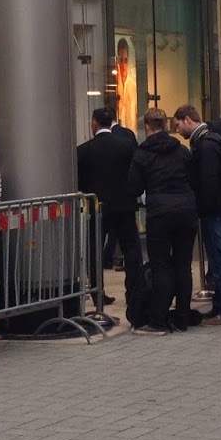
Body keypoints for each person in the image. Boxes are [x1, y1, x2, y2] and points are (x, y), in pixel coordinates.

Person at [124, 109, 197, 335]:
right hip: (186, 209)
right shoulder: (182, 150)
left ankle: (157, 320)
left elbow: (134, 188)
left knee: (161, 265)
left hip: (160, 213)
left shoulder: (142, 153)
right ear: (166, 125)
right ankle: (182, 317)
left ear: (147, 127)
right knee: (184, 265)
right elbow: (193, 178)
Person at [174, 104, 221, 325]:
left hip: (216, 211)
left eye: (178, 124)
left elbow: (209, 180)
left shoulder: (206, 144)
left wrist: (204, 208)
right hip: (219, 209)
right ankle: (220, 307)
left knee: (220, 261)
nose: (177, 130)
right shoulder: (209, 140)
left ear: (187, 120)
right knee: (219, 260)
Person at [78, 107, 142, 317]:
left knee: (95, 250)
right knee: (131, 248)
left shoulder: (84, 150)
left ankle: (98, 293)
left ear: (94, 123)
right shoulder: (126, 146)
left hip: (97, 207)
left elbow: (80, 181)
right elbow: (134, 174)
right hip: (124, 205)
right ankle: (134, 290)